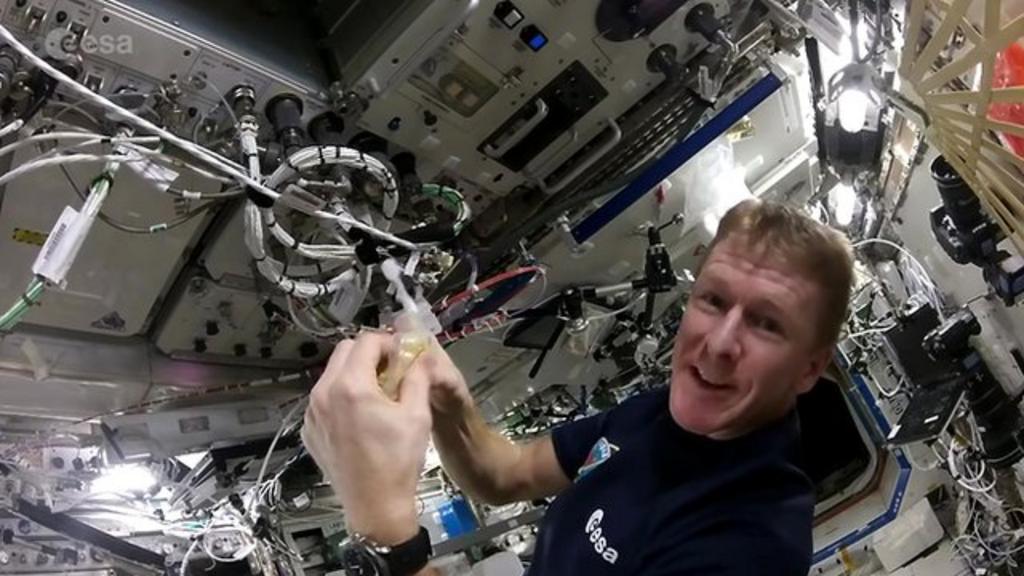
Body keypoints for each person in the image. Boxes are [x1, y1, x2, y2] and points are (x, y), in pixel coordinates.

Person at [302, 199, 855, 575]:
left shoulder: (754, 543)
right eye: (713, 300)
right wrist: (451, 406)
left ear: (810, 369)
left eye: (766, 324)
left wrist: (388, 536)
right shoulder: (658, 414)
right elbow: (509, 472)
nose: (718, 344)